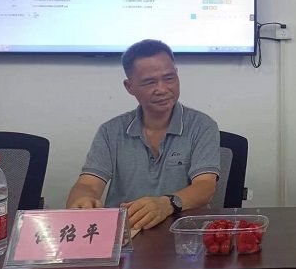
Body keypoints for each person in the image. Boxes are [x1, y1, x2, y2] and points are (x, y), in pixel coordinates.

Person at [66, 39, 220, 230]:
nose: (162, 89)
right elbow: (88, 184)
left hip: (182, 232)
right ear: (129, 87)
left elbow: (205, 186)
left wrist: (166, 204)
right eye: (149, 82)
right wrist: (82, 200)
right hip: (125, 232)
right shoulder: (111, 131)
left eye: (169, 78)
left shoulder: (202, 126)